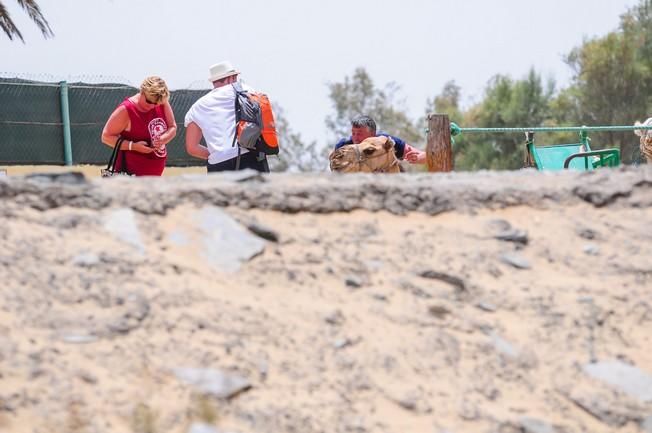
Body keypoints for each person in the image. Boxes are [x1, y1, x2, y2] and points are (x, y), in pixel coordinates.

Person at [184, 60, 269, 173]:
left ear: (214, 81)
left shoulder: (197, 107)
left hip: (218, 164)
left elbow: (192, 148)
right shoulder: (246, 90)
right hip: (250, 156)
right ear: (231, 77)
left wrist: (217, 155)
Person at [101, 76, 177, 176]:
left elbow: (173, 127)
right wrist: (133, 146)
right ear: (142, 91)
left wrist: (163, 139)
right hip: (130, 178)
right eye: (149, 101)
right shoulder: (126, 109)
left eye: (156, 104)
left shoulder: (160, 100)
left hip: (155, 177)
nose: (152, 106)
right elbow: (106, 137)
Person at [334, 115, 427, 164]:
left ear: (372, 134)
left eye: (360, 134)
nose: (355, 138)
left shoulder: (386, 142)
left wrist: (417, 158)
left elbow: (427, 157)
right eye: (353, 133)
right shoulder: (344, 146)